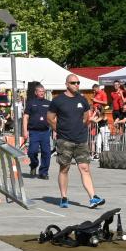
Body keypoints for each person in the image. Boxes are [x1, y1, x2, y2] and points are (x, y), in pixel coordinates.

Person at [47, 74, 106, 209]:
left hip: (80, 139)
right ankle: (64, 197)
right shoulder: (58, 100)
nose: (76, 85)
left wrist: (81, 128)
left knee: (85, 168)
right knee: (64, 168)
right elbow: (50, 118)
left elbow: (86, 118)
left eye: (78, 83)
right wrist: (59, 130)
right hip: (64, 140)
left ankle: (93, 198)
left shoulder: (82, 100)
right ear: (67, 84)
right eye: (73, 83)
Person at [22, 84, 52, 179]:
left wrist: (55, 130)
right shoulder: (31, 103)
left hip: (45, 132)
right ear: (36, 92)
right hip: (34, 132)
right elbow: (25, 117)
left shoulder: (49, 103)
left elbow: (53, 118)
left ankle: (43, 172)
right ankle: (34, 164)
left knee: (46, 152)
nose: (42, 93)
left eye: (43, 91)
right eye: (40, 91)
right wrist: (25, 131)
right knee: (32, 152)